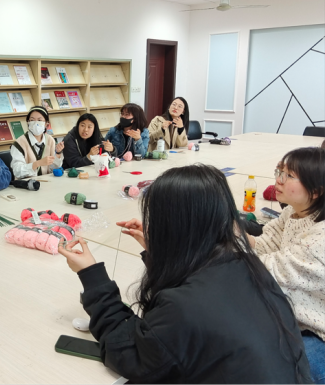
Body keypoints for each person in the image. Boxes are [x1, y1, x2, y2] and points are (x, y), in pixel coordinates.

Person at [58, 164, 311, 384]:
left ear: (175, 227)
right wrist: (161, 252)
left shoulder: (183, 307)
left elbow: (127, 353)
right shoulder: (248, 266)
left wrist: (91, 275)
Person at [249, 147, 325, 384]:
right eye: (279, 171)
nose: (278, 180)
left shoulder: (319, 238)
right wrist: (233, 231)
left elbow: (269, 270)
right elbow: (264, 245)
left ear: (316, 191)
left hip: (317, 332)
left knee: (269, 370)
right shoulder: (294, 212)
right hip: (291, 317)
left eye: (289, 175)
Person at [10, 106, 64, 179]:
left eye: (39, 120)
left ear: (46, 123)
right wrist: (38, 163)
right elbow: (17, 171)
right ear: (28, 122)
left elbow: (53, 168)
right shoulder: (19, 144)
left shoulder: (50, 140)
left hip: (47, 182)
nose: (36, 123)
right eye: (32, 120)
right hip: (27, 184)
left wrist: (58, 153)